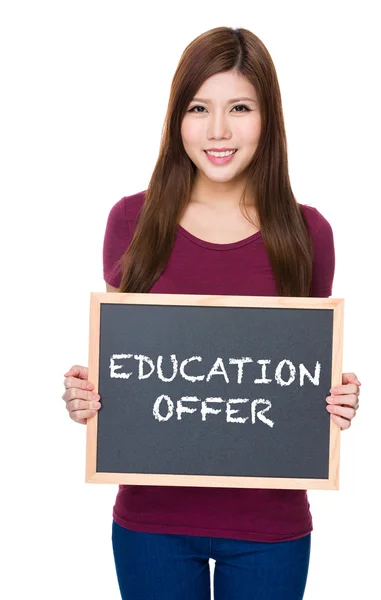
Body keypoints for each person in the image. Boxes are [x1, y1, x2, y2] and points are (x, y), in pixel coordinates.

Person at [62, 26, 361, 600]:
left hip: (269, 525)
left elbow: (303, 369)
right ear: (178, 118)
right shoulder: (132, 221)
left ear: (267, 119)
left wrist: (335, 401)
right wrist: (89, 397)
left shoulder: (307, 233)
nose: (218, 130)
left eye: (240, 108)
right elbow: (128, 360)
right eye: (199, 107)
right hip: (152, 522)